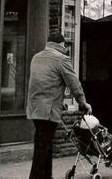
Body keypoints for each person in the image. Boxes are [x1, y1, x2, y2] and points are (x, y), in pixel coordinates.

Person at [27, 32, 92, 179]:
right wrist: (83, 102)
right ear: (61, 45)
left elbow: (43, 83)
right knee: (42, 148)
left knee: (44, 143)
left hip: (35, 108)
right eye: (64, 45)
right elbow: (74, 84)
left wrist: (59, 102)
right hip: (48, 110)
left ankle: (46, 176)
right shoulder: (61, 59)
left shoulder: (36, 58)